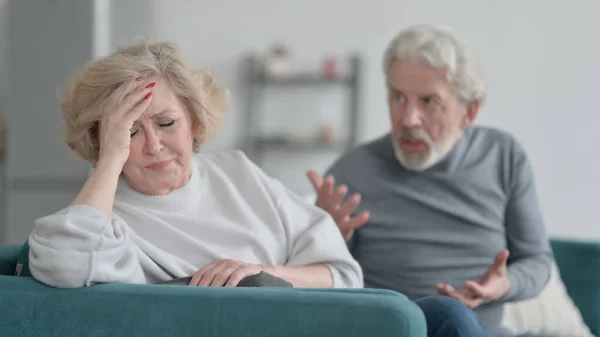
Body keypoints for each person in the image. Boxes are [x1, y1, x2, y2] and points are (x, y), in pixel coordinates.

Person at [28, 38, 489, 337]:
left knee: (445, 317)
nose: (153, 146)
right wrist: (110, 159)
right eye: (129, 131)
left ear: (192, 120)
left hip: (319, 325)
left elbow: (343, 273)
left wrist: (261, 274)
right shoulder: (109, 218)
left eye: (166, 123)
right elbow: (62, 261)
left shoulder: (238, 172)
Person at [307, 24, 553, 337]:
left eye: (428, 102)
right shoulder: (351, 172)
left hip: (485, 331)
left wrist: (505, 285)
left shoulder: (503, 156)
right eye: (398, 97)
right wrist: (327, 235)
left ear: (469, 111)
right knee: (445, 312)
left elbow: (537, 260)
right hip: (393, 330)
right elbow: (321, 285)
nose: (408, 119)